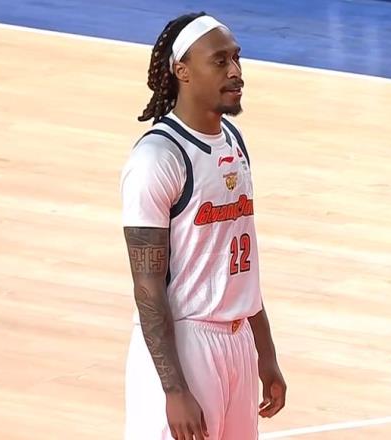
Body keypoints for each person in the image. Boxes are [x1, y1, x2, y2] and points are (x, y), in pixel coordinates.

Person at [121, 11, 287, 440]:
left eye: (237, 58)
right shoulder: (157, 159)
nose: (236, 72)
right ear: (182, 71)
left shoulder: (233, 142)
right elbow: (147, 285)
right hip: (186, 344)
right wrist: (173, 389)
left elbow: (239, 262)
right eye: (219, 61)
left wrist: (264, 351)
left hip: (237, 341)